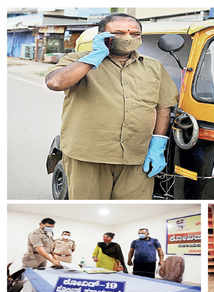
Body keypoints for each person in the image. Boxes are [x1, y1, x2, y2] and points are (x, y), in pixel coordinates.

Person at [45, 13, 178, 200]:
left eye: (134, 33)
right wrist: (96, 56)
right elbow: (56, 82)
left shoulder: (154, 67)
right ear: (102, 36)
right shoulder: (78, 61)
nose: (128, 38)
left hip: (137, 156)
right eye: (119, 33)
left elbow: (163, 107)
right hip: (88, 156)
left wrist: (158, 144)